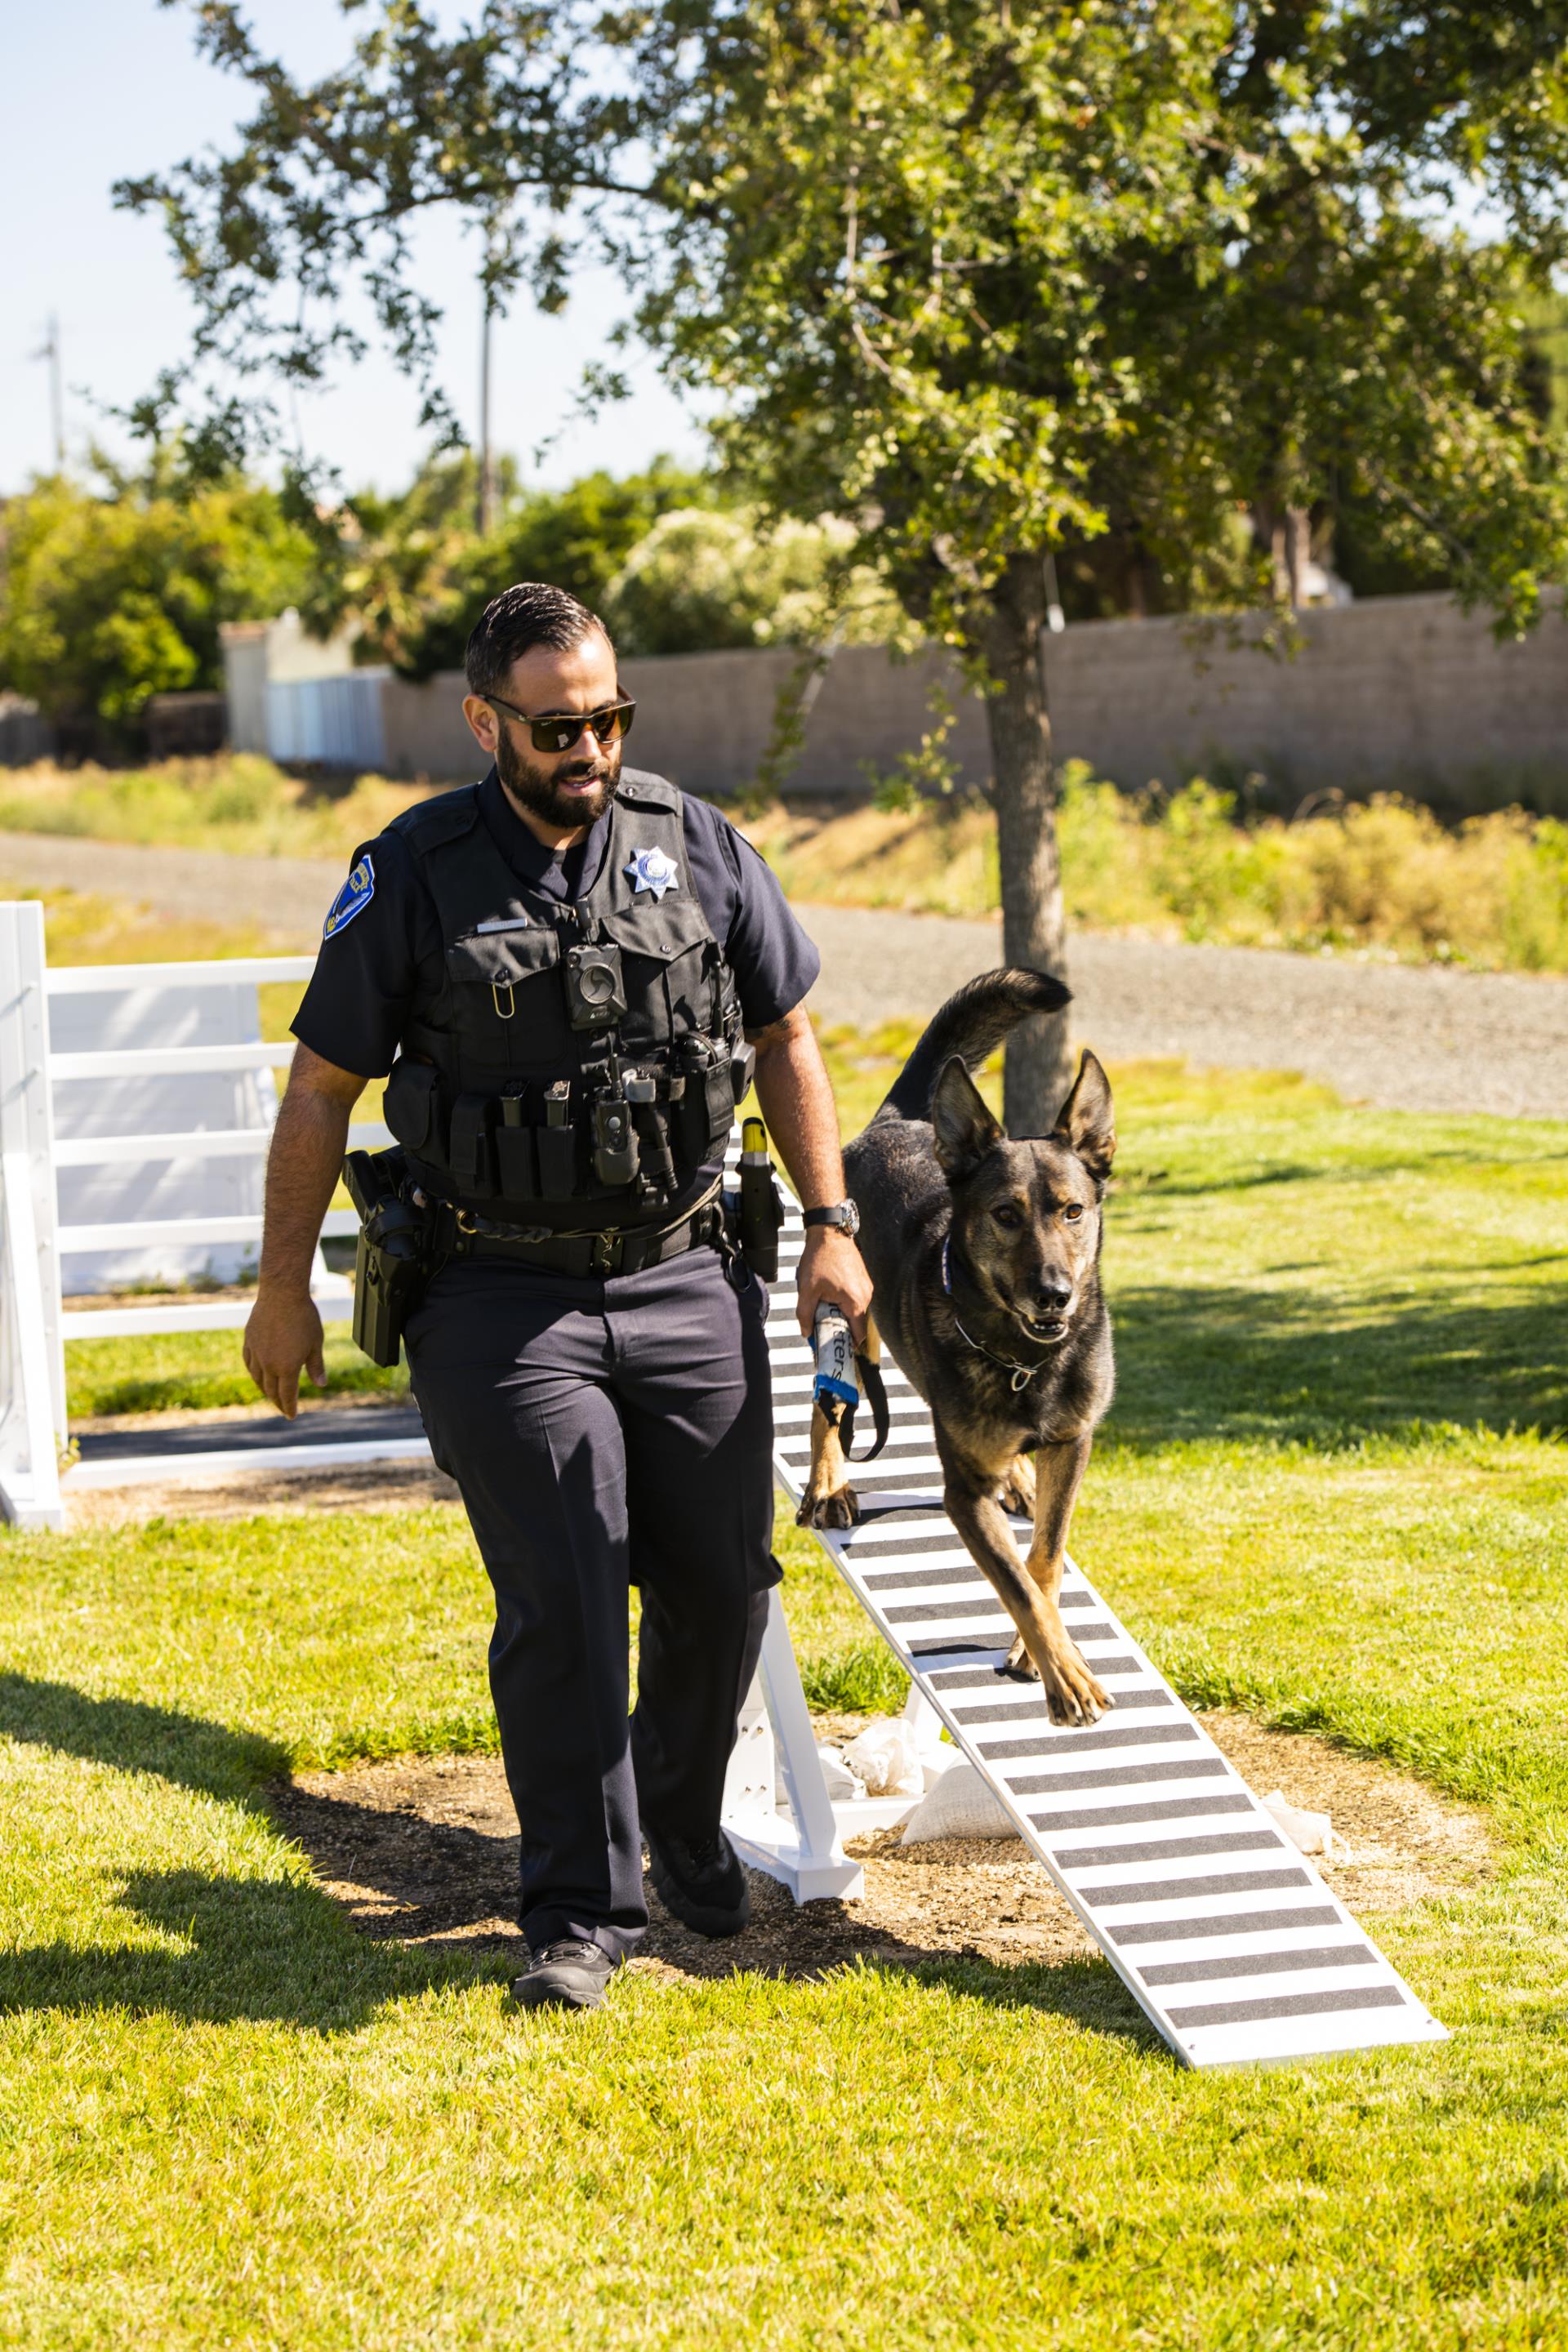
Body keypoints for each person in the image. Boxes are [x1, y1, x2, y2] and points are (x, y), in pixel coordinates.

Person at [242, 581, 872, 2011]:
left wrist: (833, 1225)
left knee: (719, 1576)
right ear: (486, 722)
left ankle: (686, 1823)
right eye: (557, 726)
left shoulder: (695, 842)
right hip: (497, 1293)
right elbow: (322, 1087)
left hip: (679, 1271)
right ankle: (582, 1912)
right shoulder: (411, 870)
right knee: (569, 1585)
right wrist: (283, 1287)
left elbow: (787, 1033)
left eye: (608, 719)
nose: (588, 747)